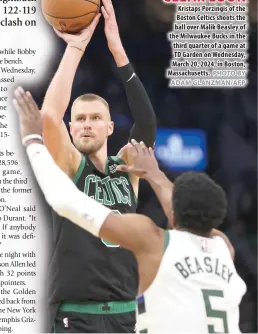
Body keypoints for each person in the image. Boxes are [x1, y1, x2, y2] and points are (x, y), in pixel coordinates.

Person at [14, 88, 246, 334]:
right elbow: (178, 210)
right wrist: (156, 175)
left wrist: (32, 141)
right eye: (81, 119)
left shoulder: (154, 240)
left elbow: (63, 199)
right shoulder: (223, 247)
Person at [41, 0, 156, 333]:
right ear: (71, 127)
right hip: (76, 313)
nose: (87, 123)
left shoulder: (127, 167)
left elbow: (147, 126)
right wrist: (76, 47)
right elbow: (48, 117)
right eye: (79, 119)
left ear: (110, 127)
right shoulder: (66, 164)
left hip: (125, 312)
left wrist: (118, 51)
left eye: (95, 117)